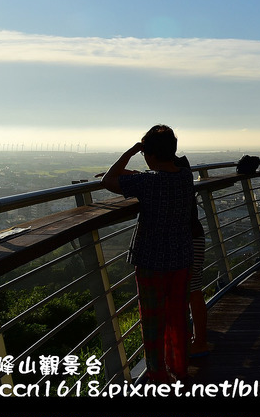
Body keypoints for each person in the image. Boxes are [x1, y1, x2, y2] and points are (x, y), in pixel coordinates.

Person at [100, 125, 194, 383]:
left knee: (153, 320)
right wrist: (140, 167)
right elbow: (156, 174)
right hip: (182, 257)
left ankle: (158, 374)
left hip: (152, 260)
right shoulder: (185, 176)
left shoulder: (147, 183)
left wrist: (130, 151)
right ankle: (180, 368)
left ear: (149, 154)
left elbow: (107, 180)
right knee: (177, 316)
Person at [188, 199, 212, 357]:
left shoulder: (170, 176)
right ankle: (199, 341)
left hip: (182, 237)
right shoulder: (182, 175)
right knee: (194, 290)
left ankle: (197, 342)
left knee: (185, 291)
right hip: (194, 233)